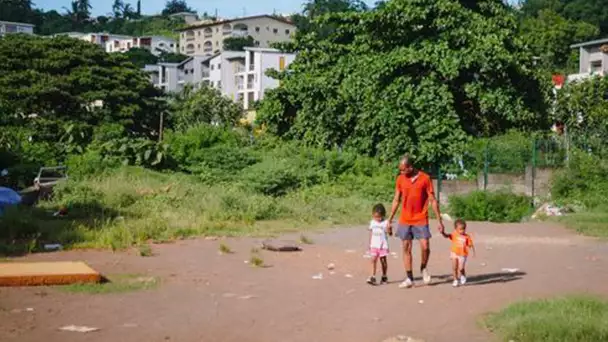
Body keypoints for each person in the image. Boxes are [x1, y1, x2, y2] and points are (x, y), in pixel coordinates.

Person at [387, 155, 444, 288]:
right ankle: (409, 278)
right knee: (406, 247)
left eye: (403, 170)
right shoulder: (400, 179)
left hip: (420, 218)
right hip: (405, 219)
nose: (401, 173)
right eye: (400, 170)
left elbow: (433, 200)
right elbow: (396, 199)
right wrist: (389, 219)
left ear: (410, 167)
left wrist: (439, 220)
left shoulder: (425, 178)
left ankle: (423, 268)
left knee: (425, 246)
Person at [441, 219, 475, 287]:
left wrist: (471, 248)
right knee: (454, 267)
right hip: (454, 253)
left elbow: (470, 244)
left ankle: (463, 275)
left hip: (462, 254)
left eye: (463, 229)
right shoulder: (454, 234)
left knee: (461, 268)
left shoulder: (467, 236)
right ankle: (455, 279)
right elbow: (446, 236)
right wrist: (442, 232)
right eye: (460, 229)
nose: (462, 231)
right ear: (456, 229)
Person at [367, 203, 390, 285]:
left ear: (383, 215)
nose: (378, 219)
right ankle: (372, 276)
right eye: (376, 217)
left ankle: (384, 276)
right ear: (373, 215)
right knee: (373, 260)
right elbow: (370, 233)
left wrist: (389, 229)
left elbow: (390, 233)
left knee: (383, 261)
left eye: (379, 217)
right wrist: (369, 244)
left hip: (383, 245)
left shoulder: (385, 222)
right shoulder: (372, 222)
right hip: (374, 245)